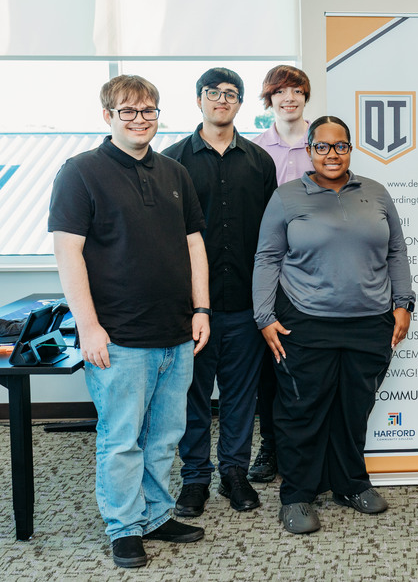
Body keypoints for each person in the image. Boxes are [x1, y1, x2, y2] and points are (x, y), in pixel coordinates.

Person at [48, 75, 210, 568]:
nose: (141, 119)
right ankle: (124, 526)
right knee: (121, 440)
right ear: (108, 116)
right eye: (129, 111)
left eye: (149, 111)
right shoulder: (80, 172)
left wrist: (201, 309)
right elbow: (68, 253)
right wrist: (88, 326)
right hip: (118, 337)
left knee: (164, 437)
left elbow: (194, 245)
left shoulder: (174, 172)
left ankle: (157, 514)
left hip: (177, 332)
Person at [252, 115, 415, 534]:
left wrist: (403, 304)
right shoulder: (287, 196)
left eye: (340, 146)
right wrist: (265, 316)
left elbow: (396, 251)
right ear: (309, 150)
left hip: (369, 321)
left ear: (350, 149)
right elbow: (267, 258)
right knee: (302, 409)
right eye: (322, 146)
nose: (331, 154)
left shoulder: (376, 193)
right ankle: (298, 495)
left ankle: (349, 483)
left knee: (354, 407)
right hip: (306, 321)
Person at [163, 68, 277, 517]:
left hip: (246, 302)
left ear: (240, 104)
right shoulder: (172, 162)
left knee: (240, 395)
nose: (222, 100)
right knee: (192, 396)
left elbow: (271, 238)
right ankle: (194, 479)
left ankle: (234, 473)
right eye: (214, 93)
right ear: (199, 100)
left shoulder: (258, 162)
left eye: (231, 94)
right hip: (195, 308)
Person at [248, 65, 312, 484]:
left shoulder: (322, 143)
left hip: (316, 275)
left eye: (297, 91)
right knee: (269, 368)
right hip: (272, 273)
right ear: (268, 99)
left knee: (308, 366)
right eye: (280, 91)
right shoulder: (255, 151)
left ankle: (305, 450)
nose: (289, 98)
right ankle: (269, 446)